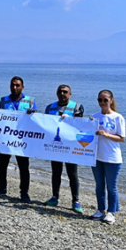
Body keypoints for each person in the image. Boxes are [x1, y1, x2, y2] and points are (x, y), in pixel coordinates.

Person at [0, 76, 37, 203]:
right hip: (6, 138)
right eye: (12, 85)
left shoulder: (30, 100)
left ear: (23, 87)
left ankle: (24, 192)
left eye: (17, 85)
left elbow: (37, 118)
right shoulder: (4, 100)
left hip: (22, 140)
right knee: (2, 165)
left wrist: (33, 113)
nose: (15, 87)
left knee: (23, 167)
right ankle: (2, 188)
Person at [43, 85, 85, 213]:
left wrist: (70, 119)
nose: (62, 94)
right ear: (56, 93)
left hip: (71, 146)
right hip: (55, 146)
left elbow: (80, 125)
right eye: (60, 92)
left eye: (65, 92)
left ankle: (75, 201)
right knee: (56, 172)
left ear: (70, 94)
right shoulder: (50, 107)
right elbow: (43, 124)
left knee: (73, 174)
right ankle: (55, 197)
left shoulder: (77, 107)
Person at [90, 90, 126, 225]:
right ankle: (100, 209)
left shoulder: (118, 118)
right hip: (96, 157)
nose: (102, 103)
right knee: (99, 186)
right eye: (100, 100)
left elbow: (122, 138)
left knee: (111, 187)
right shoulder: (95, 117)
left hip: (112, 158)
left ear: (111, 100)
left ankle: (111, 212)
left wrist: (105, 134)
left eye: (105, 100)